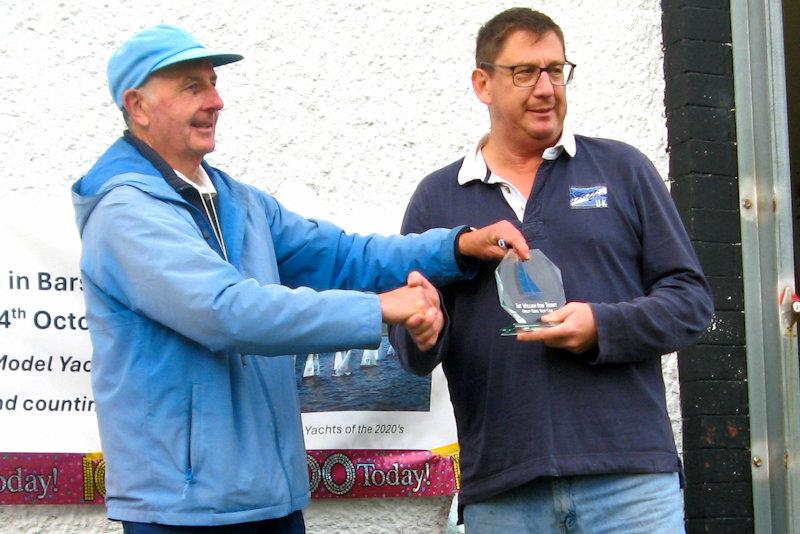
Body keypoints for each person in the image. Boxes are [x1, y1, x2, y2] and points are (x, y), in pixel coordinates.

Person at [71, 24, 528, 533]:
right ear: (138, 107)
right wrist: (382, 309)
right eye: (193, 87)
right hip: (181, 512)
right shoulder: (125, 211)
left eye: (214, 82)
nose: (217, 100)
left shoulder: (240, 202)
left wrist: (454, 247)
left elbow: (342, 255)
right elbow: (228, 312)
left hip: (273, 500)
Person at [390, 8, 714, 533]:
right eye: (524, 73)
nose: (546, 88)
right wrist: (423, 332)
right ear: (483, 83)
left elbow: (691, 303)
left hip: (630, 483)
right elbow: (410, 351)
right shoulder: (437, 199)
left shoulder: (623, 170)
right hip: (504, 490)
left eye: (556, 70)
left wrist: (602, 327)